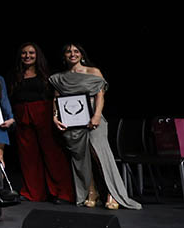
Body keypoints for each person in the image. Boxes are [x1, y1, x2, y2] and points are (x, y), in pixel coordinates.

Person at [50, 44, 141, 210]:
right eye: (68, 51)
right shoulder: (59, 78)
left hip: (93, 118)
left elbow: (100, 95)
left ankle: (112, 193)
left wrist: (97, 115)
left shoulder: (93, 72)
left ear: (82, 54)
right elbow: (56, 99)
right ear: (64, 56)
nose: (72, 54)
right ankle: (92, 192)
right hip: (72, 121)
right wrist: (55, 117)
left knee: (100, 155)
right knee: (81, 159)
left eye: (76, 51)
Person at [11, 42, 74, 203]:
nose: (27, 56)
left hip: (43, 114)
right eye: (24, 53)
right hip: (22, 116)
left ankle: (63, 193)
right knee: (28, 157)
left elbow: (56, 97)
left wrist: (55, 115)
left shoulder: (47, 74)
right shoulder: (16, 75)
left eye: (31, 53)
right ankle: (33, 193)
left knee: (53, 155)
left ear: (37, 55)